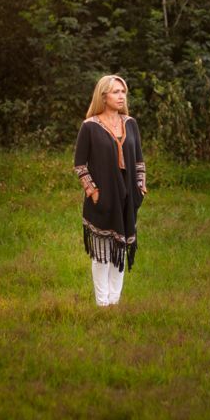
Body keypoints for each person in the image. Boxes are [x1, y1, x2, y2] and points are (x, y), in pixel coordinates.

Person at [72, 74, 147, 306]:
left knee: (120, 250)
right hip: (103, 198)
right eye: (116, 92)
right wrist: (93, 192)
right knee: (103, 253)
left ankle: (115, 302)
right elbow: (80, 164)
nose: (121, 96)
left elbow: (139, 161)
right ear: (103, 96)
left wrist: (141, 186)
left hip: (127, 197)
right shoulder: (90, 126)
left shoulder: (130, 123)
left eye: (123, 92)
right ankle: (102, 304)